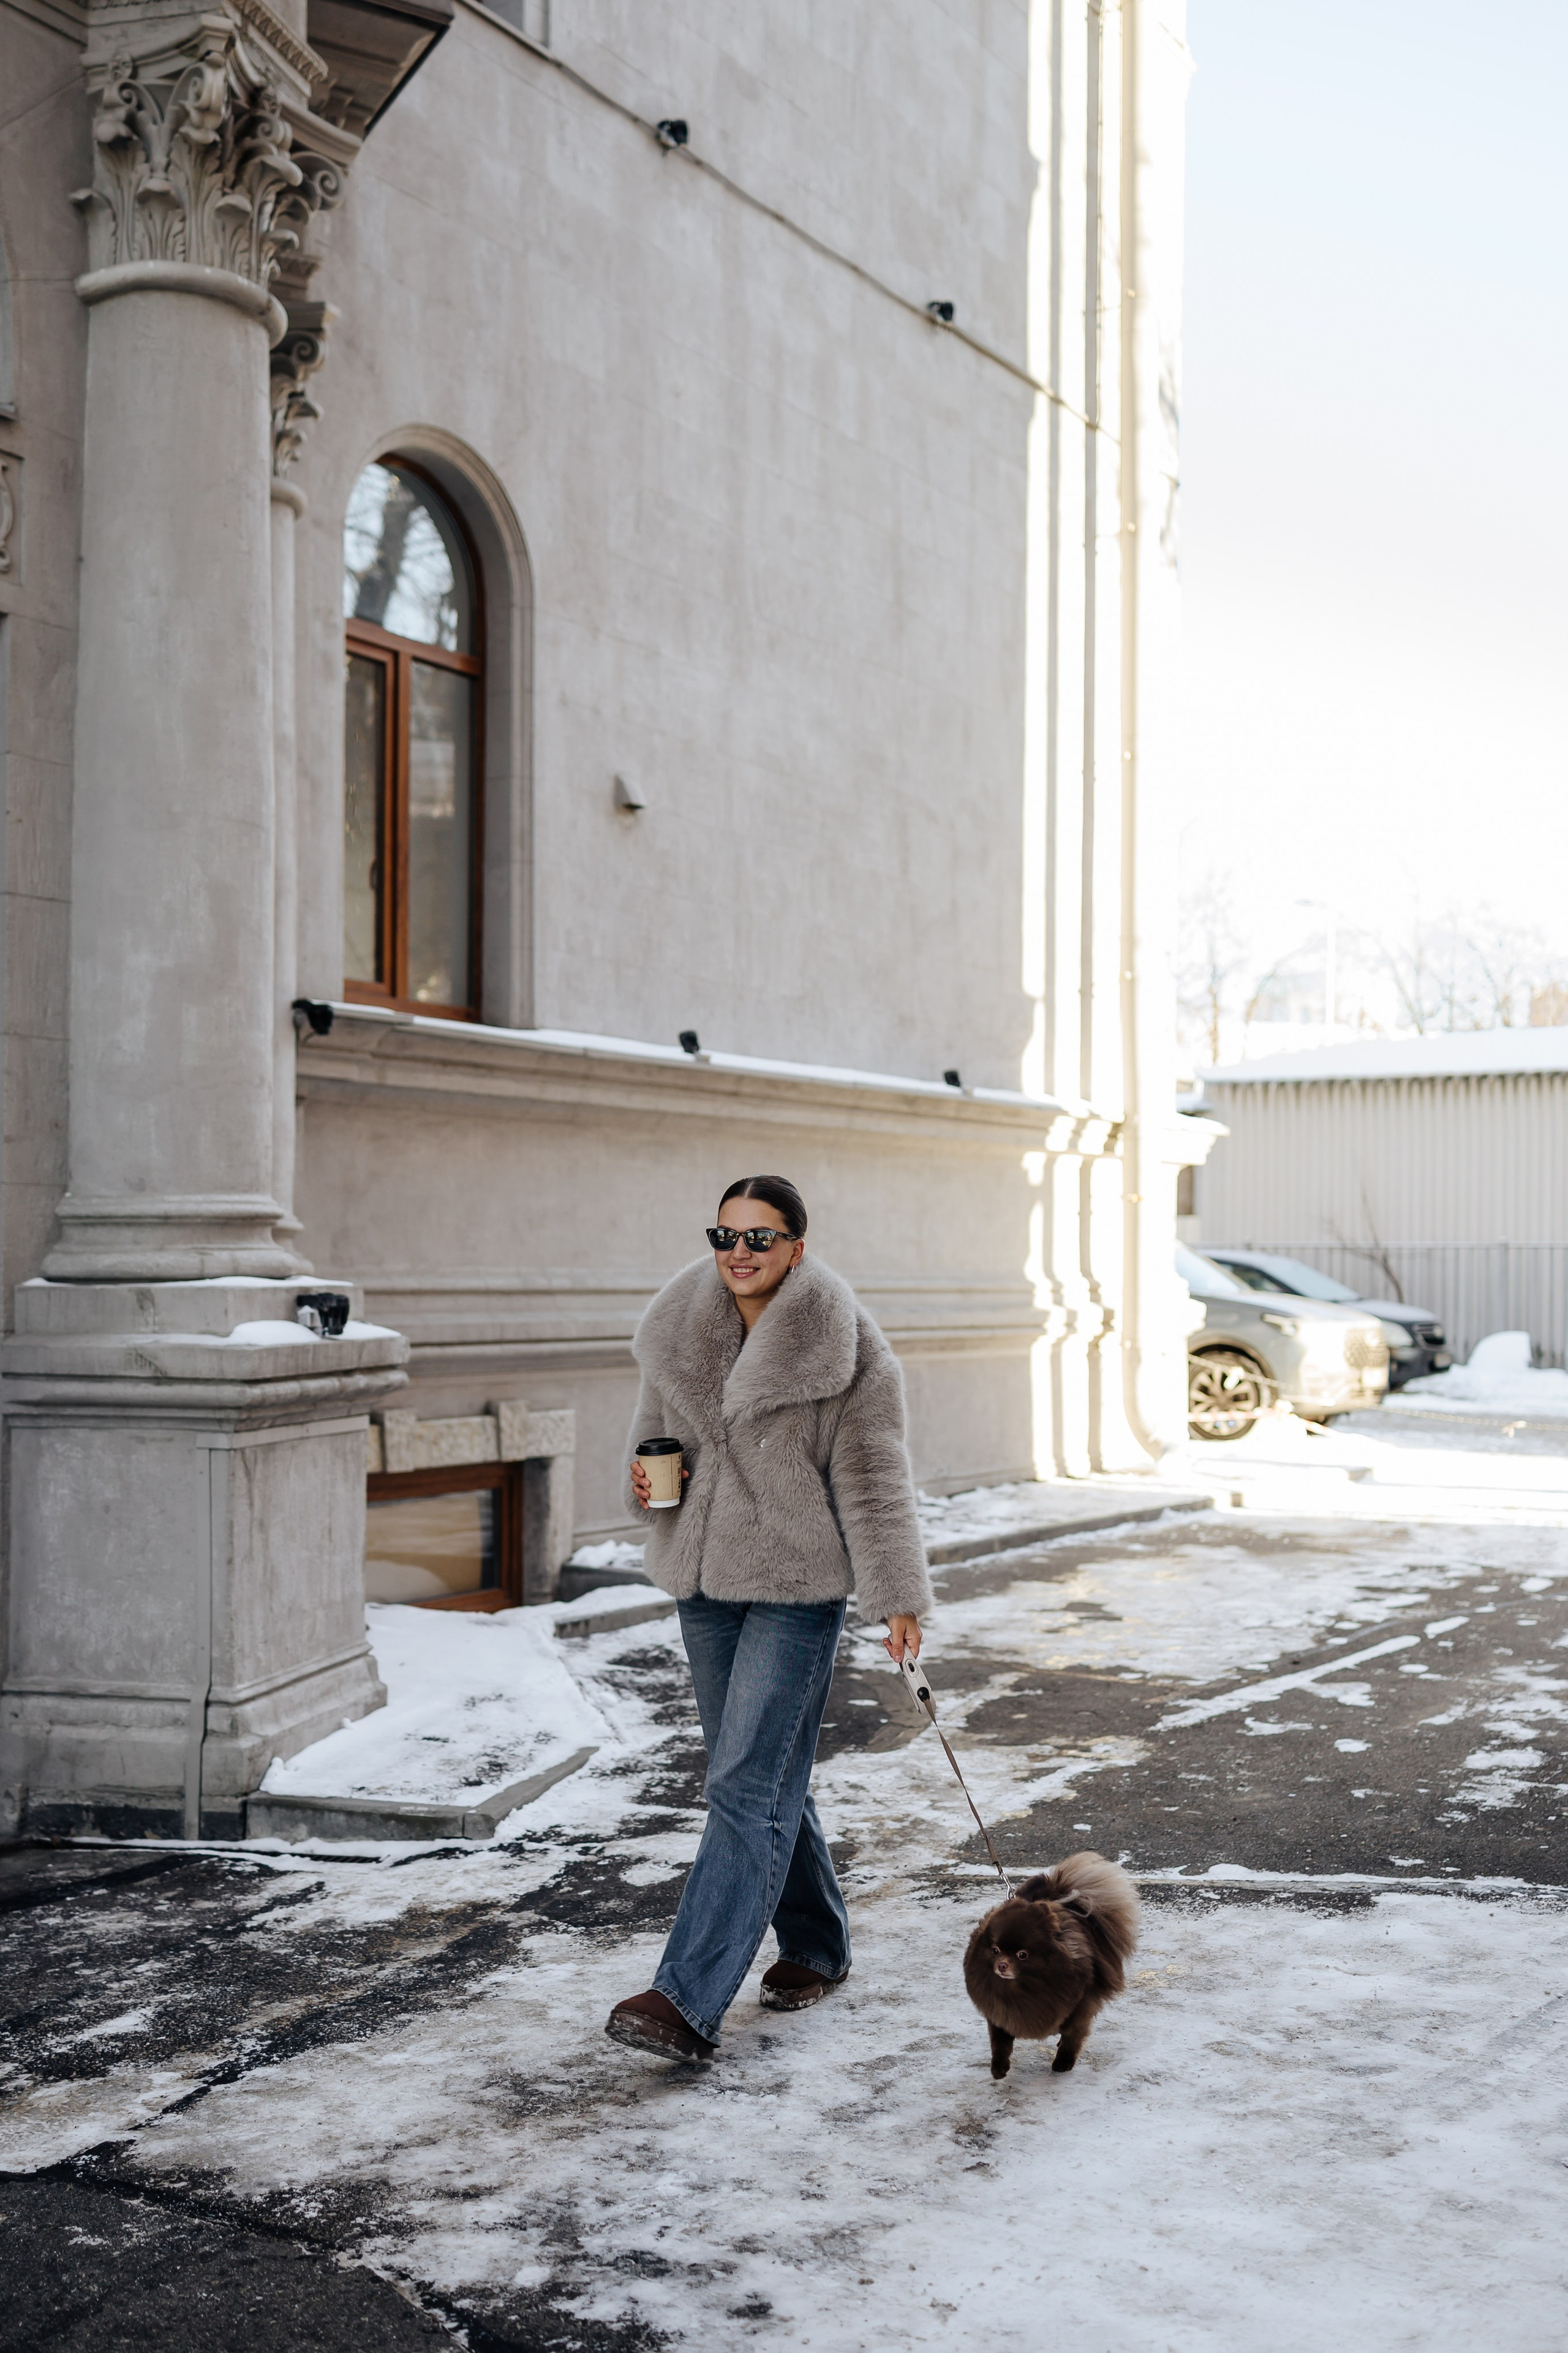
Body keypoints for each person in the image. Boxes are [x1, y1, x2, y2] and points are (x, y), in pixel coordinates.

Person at [605, 1174, 932, 2063]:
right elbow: (647, 1450)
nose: (739, 1253)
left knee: (745, 1785)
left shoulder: (848, 1349)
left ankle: (685, 1996)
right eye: (725, 1235)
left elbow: (873, 1481)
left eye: (760, 1237)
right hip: (703, 1584)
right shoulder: (679, 1329)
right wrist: (642, 1483)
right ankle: (819, 1943)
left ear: (797, 1246)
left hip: (797, 1588)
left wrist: (896, 1594)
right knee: (764, 1773)